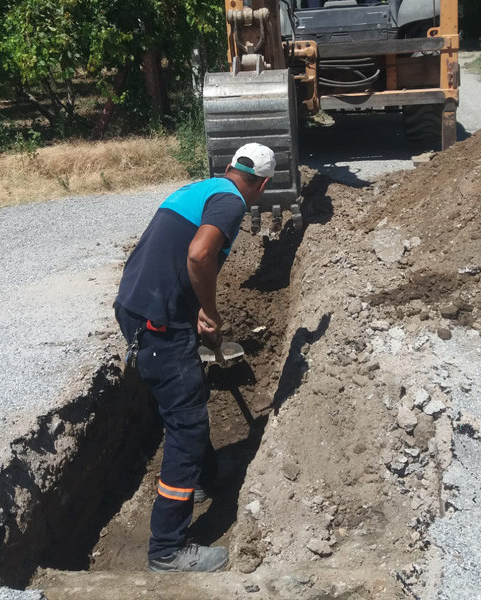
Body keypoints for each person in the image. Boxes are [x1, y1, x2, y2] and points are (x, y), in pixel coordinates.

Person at [114, 143, 275, 573]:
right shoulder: (232, 201)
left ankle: (202, 479)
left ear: (227, 167)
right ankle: (167, 549)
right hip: (158, 324)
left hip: (136, 308)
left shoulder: (199, 189)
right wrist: (209, 310)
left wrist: (191, 313)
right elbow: (200, 254)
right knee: (185, 426)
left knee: (187, 396)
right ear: (261, 184)